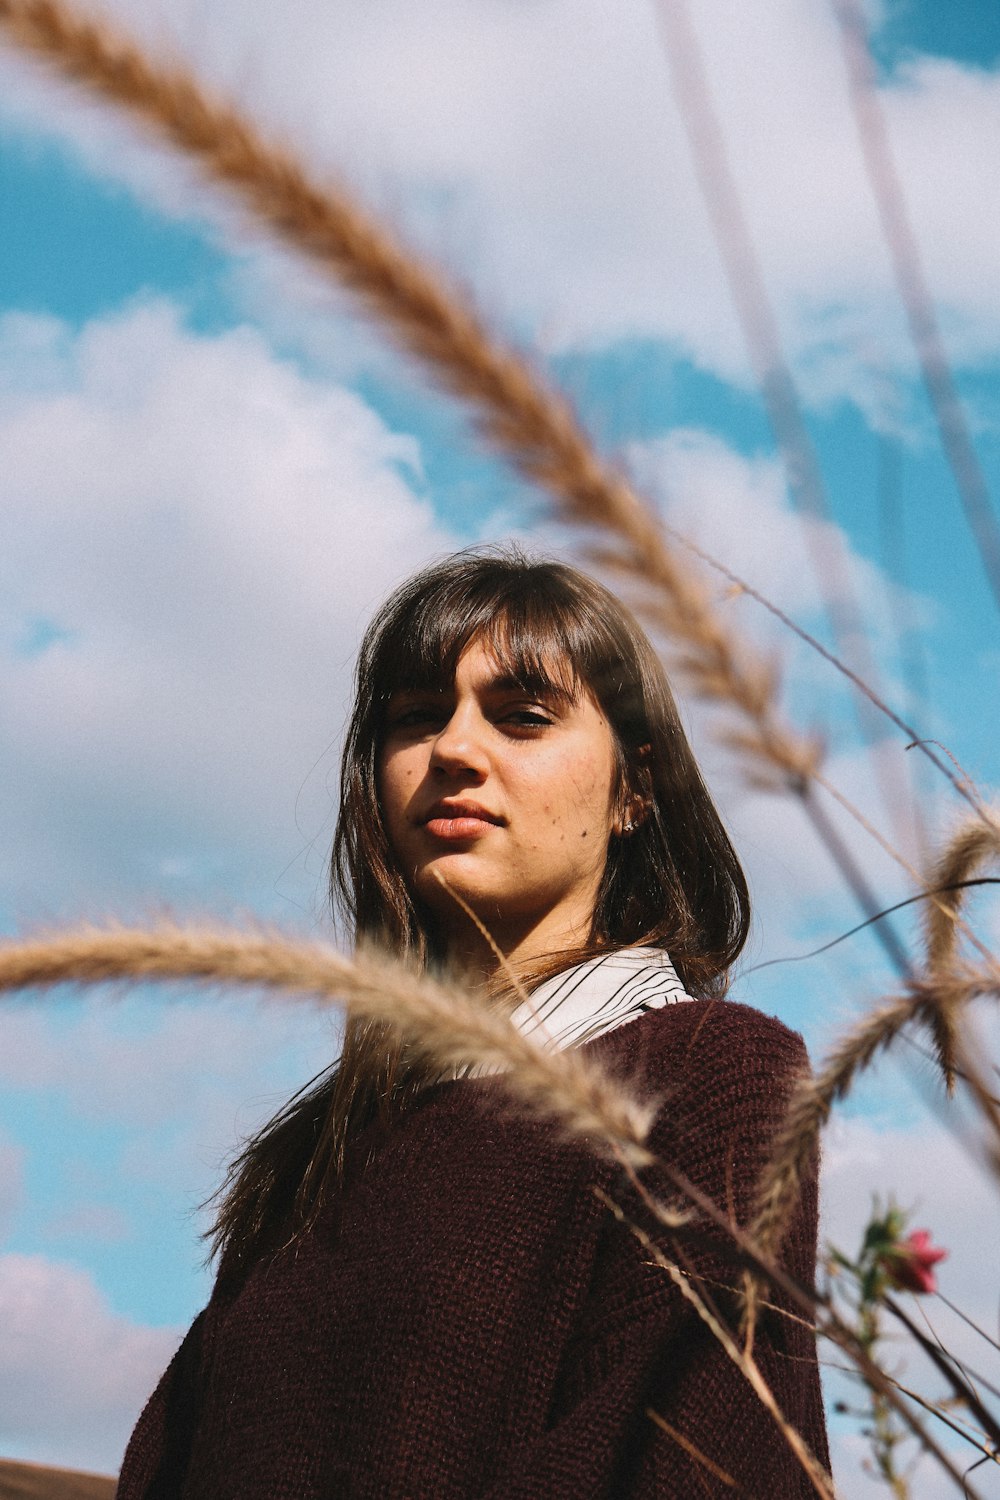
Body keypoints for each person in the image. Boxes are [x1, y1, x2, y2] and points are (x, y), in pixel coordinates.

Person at [117, 549, 829, 1498]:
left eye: (523, 717)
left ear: (633, 791)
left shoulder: (710, 1073)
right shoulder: (315, 1153)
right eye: (415, 717)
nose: (452, 750)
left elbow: (698, 1461)